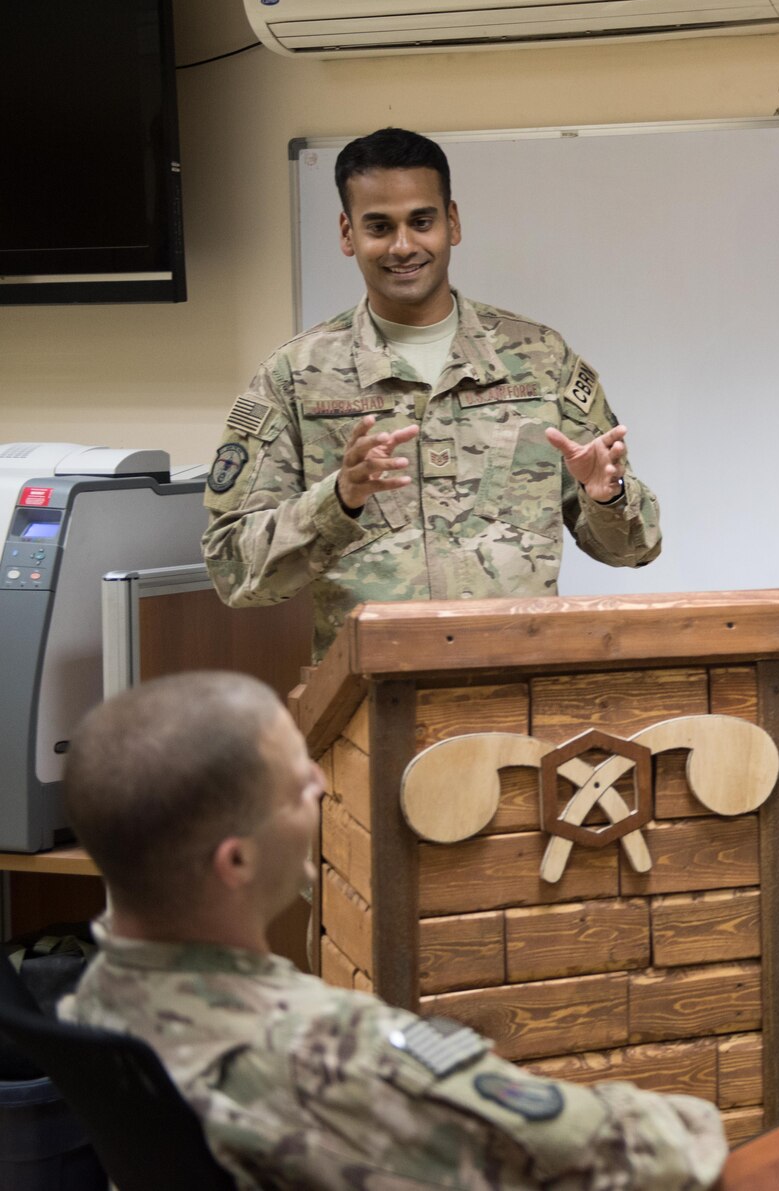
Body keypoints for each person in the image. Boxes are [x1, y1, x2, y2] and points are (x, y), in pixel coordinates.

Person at [61, 671, 726, 1189]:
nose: (321, 784)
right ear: (235, 860)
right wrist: (700, 1116)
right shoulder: (334, 1053)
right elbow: (638, 1157)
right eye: (297, 787)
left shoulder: (94, 996)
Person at [203, 127, 661, 659]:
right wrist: (338, 500)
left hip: (519, 691)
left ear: (453, 223)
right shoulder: (295, 378)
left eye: (421, 221)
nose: (403, 246)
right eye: (380, 226)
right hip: (372, 700)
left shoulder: (540, 359)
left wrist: (606, 497)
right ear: (348, 233)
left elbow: (637, 548)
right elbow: (233, 571)